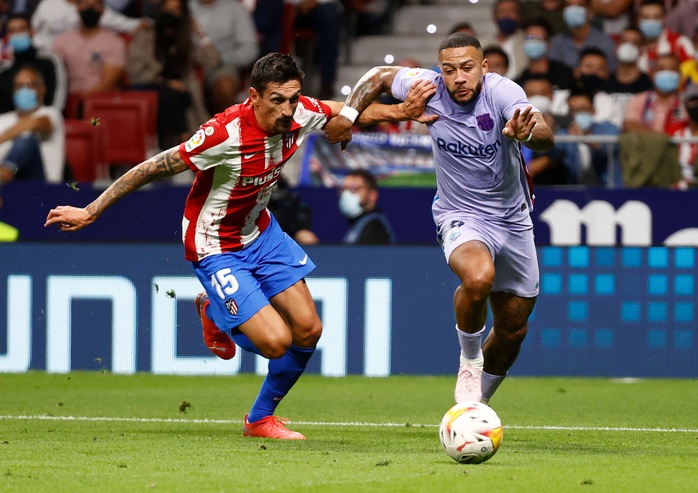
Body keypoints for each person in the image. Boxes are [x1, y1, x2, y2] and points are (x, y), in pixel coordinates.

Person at [44, 52, 436, 439]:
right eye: (277, 100)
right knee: (276, 343)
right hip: (214, 242)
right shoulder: (223, 134)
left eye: (293, 99)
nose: (287, 110)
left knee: (308, 330)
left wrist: (401, 112)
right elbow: (153, 167)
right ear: (254, 97)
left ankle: (260, 419)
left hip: (261, 233)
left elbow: (345, 111)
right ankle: (212, 308)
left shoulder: (298, 113)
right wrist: (91, 209)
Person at [325, 32, 555, 406]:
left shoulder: (502, 93)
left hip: (513, 220)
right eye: (449, 70)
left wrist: (529, 133)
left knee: (513, 329)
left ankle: (474, 408)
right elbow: (379, 76)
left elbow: (543, 133)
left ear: (484, 67)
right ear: (440, 71)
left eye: (467, 68)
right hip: (459, 213)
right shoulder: (428, 88)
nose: (458, 78)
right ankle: (469, 360)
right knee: (478, 278)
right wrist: (350, 115)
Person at [127, 0, 219, 149]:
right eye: (167, 9)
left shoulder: (184, 39)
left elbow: (213, 60)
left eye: (175, 10)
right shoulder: (145, 35)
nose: (171, 14)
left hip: (182, 92)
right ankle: (184, 139)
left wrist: (200, 34)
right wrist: (164, 82)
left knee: (178, 96)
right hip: (148, 86)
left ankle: (174, 149)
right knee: (170, 95)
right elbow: (135, 72)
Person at [189, 0, 259, 113]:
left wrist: (221, 59)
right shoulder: (184, 7)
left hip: (222, 64)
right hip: (187, 64)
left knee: (225, 87)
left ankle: (223, 126)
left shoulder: (235, 9)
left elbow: (250, 49)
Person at [0, 66, 65, 183]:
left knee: (26, 139)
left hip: (42, 185)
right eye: (19, 86)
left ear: (43, 89)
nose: (24, 91)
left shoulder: (51, 113)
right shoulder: (3, 120)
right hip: (10, 186)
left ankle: (3, 175)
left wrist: (2, 138)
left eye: (30, 85)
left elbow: (36, 123)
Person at [51, 0, 127, 100]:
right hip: (67, 100)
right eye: (86, 4)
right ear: (77, 8)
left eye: (96, 4)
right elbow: (54, 74)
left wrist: (85, 99)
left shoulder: (114, 42)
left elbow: (109, 82)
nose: (90, 8)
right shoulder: (62, 41)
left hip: (100, 101)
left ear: (103, 9)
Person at [0, 13, 67, 114]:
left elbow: (58, 101)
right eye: (12, 31)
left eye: (22, 29)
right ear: (7, 37)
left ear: (32, 32)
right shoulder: (4, 71)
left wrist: (50, 118)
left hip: (46, 123)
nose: (17, 34)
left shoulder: (50, 61)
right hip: (10, 125)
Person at [555, 86, 621, 185]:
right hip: (574, 191)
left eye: (583, 109)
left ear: (593, 110)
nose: (579, 114)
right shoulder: (563, 134)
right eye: (574, 110)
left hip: (608, 188)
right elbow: (552, 152)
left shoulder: (608, 128)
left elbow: (609, 148)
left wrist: (584, 138)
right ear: (569, 113)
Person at [31, 0, 146, 51]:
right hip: (43, 53)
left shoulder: (94, 10)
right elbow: (32, 30)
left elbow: (134, 25)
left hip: (73, 61)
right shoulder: (48, 4)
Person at [623, 52, 687, 135]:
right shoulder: (638, 99)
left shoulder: (687, 103)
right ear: (652, 74)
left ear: (680, 75)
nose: (666, 74)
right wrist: (659, 140)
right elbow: (630, 125)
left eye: (672, 70)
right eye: (661, 69)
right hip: (646, 146)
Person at [549, 0, 617, 72]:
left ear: (590, 10)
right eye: (569, 6)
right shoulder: (556, 42)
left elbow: (610, 74)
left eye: (579, 6)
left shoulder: (606, 43)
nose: (573, 10)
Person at [514, 17, 576, 91]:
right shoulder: (519, 82)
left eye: (539, 38)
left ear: (549, 44)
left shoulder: (565, 75)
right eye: (529, 38)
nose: (534, 42)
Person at [636, 0, 696, 75]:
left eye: (656, 17)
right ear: (638, 20)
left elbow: (692, 77)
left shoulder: (679, 44)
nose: (650, 22)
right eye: (645, 17)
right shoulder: (631, 44)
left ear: (664, 18)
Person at [340, 169, 395, 244]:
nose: (346, 194)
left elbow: (367, 255)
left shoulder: (374, 227)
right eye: (343, 189)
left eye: (354, 188)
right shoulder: (361, 224)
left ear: (372, 195)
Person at [492, 0, 528, 79]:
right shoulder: (483, 43)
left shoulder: (527, 42)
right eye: (502, 11)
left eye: (511, 11)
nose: (506, 15)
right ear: (494, 16)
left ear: (520, 16)